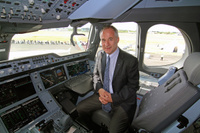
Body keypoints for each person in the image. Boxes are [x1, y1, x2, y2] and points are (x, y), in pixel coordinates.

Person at [76, 25, 139, 133]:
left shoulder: (130, 61)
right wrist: (100, 90)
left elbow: (133, 87)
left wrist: (112, 98)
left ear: (117, 40)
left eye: (110, 39)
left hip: (122, 101)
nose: (106, 44)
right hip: (103, 94)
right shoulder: (100, 55)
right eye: (103, 40)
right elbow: (95, 75)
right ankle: (93, 129)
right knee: (80, 109)